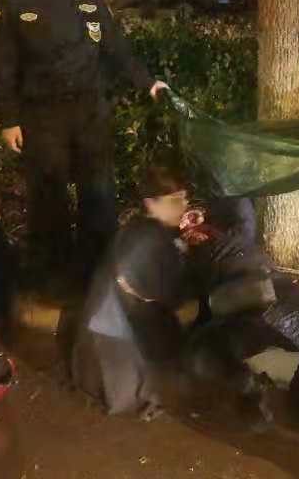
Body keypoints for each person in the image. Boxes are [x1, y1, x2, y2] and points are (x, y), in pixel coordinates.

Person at [0, 0, 169, 287]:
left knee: (99, 194)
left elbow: (116, 48)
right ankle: (51, 279)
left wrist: (148, 82)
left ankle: (99, 274)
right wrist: (8, 119)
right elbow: (3, 67)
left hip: (89, 111)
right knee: (48, 198)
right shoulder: (16, 2)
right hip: (43, 116)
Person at [179, 198, 299, 425]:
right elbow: (241, 207)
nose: (188, 228)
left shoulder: (227, 239)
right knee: (207, 347)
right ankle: (283, 396)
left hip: (275, 315)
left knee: (202, 353)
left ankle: (268, 398)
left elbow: (239, 205)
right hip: (288, 325)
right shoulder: (231, 241)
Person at [70, 165, 193, 420]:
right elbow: (168, 296)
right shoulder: (151, 236)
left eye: (184, 198)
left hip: (93, 348)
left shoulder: (136, 228)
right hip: (113, 349)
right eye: (174, 200)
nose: (182, 206)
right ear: (150, 203)